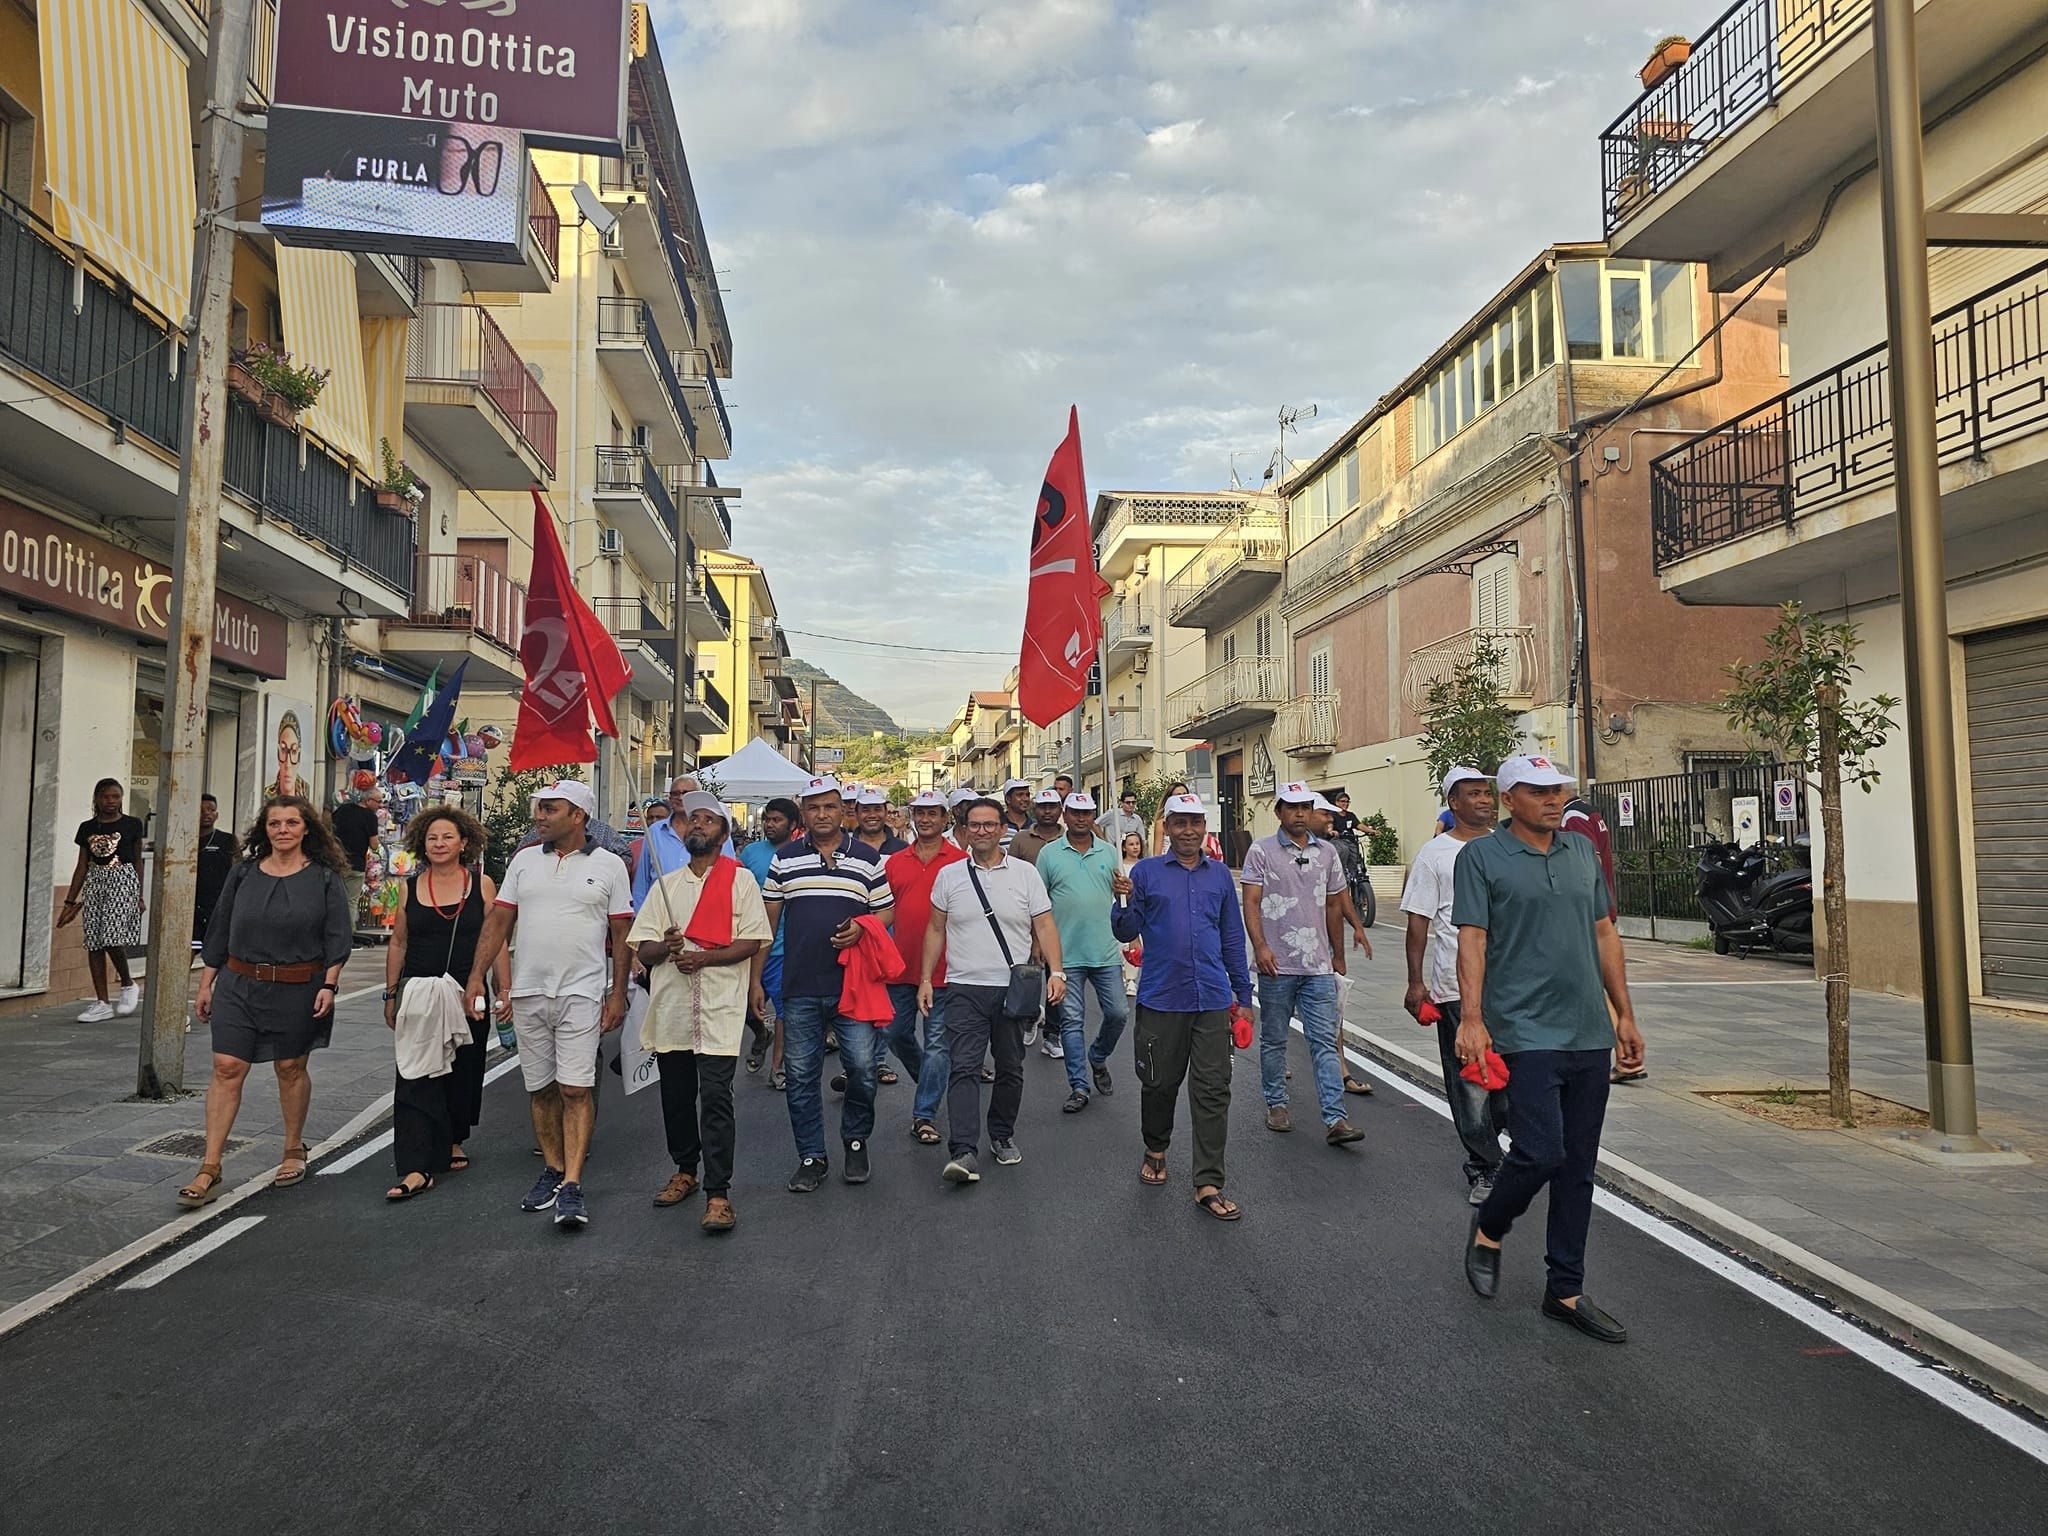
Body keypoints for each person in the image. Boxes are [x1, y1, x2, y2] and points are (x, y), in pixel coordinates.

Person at [1457, 755, 1647, 1344]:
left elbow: (1603, 932)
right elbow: (1473, 939)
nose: (1553, 799)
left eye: (1558, 790)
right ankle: (1491, 1224)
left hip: (1587, 1030)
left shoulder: (1581, 852)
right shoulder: (1481, 857)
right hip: (1522, 1029)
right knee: (1540, 1151)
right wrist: (1472, 1019)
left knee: (1578, 1170)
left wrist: (1625, 1015)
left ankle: (1564, 1290)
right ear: (1509, 798)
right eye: (1538, 791)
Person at [465, 780, 634, 1230]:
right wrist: (475, 979)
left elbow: (621, 935)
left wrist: (617, 995)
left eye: (550, 809)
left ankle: (574, 1183)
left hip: (581, 992)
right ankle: (554, 1170)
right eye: (538, 808)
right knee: (540, 1089)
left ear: (578, 816)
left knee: (575, 1089)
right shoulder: (523, 861)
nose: (539, 816)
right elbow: (499, 921)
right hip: (528, 992)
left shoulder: (610, 865)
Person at [177, 795, 354, 1207]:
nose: (283, 830)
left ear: (306, 828)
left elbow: (336, 938)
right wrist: (205, 984)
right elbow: (219, 930)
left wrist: (329, 985)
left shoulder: (324, 879)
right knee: (226, 1067)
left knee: (290, 1067)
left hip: (299, 985)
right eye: (275, 824)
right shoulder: (242, 875)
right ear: (265, 830)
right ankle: (210, 1165)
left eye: (292, 823)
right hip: (239, 983)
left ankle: (293, 1147)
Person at [630, 791, 771, 1234]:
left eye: (708, 820)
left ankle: (718, 1193)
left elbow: (753, 940)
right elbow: (644, 948)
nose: (697, 825)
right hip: (672, 1006)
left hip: (718, 1008)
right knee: (674, 1097)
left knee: (715, 1099)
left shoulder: (741, 881)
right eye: (693, 819)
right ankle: (684, 1171)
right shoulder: (666, 887)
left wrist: (705, 959)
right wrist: (668, 947)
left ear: (723, 833)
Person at [1112, 792, 1253, 1220]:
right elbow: (1124, 931)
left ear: (1204, 828)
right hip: (1161, 998)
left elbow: (1232, 937)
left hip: (1210, 998)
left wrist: (1243, 997)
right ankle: (1156, 1149)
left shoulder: (1220, 877)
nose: (1188, 831)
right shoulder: (1146, 873)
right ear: (1167, 828)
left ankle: (1208, 1181)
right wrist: (1121, 900)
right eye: (1180, 823)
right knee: (1158, 1083)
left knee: (1213, 1091)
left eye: (1195, 823)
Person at [755, 775, 894, 1192]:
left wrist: (862, 927)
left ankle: (855, 1139)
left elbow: (886, 913)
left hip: (854, 985)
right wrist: (756, 978)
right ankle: (811, 1156)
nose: (822, 814)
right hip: (798, 987)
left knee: (864, 1069)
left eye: (829, 806)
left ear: (842, 810)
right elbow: (769, 920)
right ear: (804, 812)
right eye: (813, 807)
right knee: (800, 1076)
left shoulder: (869, 859)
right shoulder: (785, 859)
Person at [921, 795, 1064, 1185]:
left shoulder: (1024, 874)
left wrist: (1058, 972)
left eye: (989, 825)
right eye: (974, 826)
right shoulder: (950, 875)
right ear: (964, 831)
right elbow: (935, 929)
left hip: (1012, 989)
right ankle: (964, 1150)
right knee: (964, 1068)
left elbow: (1045, 925)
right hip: (964, 987)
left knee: (1010, 1068)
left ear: (1003, 830)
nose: (981, 831)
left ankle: (1001, 1135)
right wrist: (924, 979)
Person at [382, 806, 505, 1200]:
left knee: (464, 1071)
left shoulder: (482, 885)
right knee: (416, 1075)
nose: (439, 843)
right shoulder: (409, 887)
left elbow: (496, 939)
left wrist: (503, 989)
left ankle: (453, 1137)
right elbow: (398, 942)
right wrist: (390, 993)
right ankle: (416, 1163)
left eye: (448, 837)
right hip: (418, 994)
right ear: (423, 843)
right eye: (433, 837)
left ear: (463, 842)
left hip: (469, 993)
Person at [1401, 767, 1506, 1204]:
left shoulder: (1510, 847)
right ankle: (1483, 1167)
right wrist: (1415, 983)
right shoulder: (1435, 854)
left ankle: (1499, 1145)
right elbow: (1418, 924)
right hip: (1456, 988)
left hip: (1515, 989)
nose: (1484, 800)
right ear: (1453, 803)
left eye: (1488, 792)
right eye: (1473, 794)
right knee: (1471, 1083)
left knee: (1513, 1080)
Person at [1241, 783, 1364, 1147]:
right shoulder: (1261, 851)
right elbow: (1251, 903)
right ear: (1279, 811)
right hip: (1277, 963)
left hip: (1318, 966)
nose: (1299, 813)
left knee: (1324, 1040)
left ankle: (1336, 1118)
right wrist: (1260, 947)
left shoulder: (1327, 852)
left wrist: (1338, 954)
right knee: (1274, 1038)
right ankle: (1276, 1103)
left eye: (1305, 807)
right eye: (1292, 807)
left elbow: (1332, 905)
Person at [1035, 791, 1126, 1111]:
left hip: (1104, 950)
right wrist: (1038, 946)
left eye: (1086, 813)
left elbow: (1122, 898)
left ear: (1093, 816)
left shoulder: (1109, 852)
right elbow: (1038, 903)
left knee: (1118, 1013)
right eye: (1074, 812)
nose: (1080, 818)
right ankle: (1079, 1086)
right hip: (1065, 954)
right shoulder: (1049, 854)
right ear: (1065, 814)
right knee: (1071, 1023)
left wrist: (1124, 890)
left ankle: (1097, 1057)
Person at [885, 791, 967, 1145]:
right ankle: (931, 1081)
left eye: (934, 813)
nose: (927, 819)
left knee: (937, 1045)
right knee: (896, 1034)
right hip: (901, 968)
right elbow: (885, 910)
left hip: (945, 970)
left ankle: (924, 1115)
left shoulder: (961, 861)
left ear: (946, 818)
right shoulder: (895, 861)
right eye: (920, 813)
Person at [59, 779, 145, 1020]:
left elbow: (138, 861)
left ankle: (128, 983)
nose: (111, 801)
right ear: (96, 798)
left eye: (116, 796)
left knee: (111, 936)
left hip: (123, 880)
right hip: (95, 881)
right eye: (106, 797)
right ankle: (102, 1002)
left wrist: (138, 895)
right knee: (94, 942)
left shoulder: (132, 824)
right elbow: (82, 865)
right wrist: (69, 901)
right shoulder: (87, 828)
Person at [738, 797, 799, 1082]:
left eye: (778, 820)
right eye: (768, 819)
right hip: (748, 944)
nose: (771, 825)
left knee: (785, 1010)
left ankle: (778, 1068)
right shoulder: (750, 852)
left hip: (785, 947)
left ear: (793, 825)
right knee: (743, 1006)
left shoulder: (803, 854)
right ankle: (761, 1033)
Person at [330, 787, 383, 930]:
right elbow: (374, 845)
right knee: (351, 901)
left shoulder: (344, 809)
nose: (381, 805)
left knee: (333, 899)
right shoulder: (370, 817)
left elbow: (329, 827)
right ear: (368, 800)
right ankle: (347, 936)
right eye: (378, 802)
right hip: (356, 865)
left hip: (335, 862)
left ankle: (332, 932)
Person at [193, 793, 240, 950]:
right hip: (192, 903)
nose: (206, 813)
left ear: (217, 814)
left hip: (218, 903)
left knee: (218, 949)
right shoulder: (183, 839)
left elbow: (238, 869)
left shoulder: (227, 840)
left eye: (210, 809)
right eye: (201, 810)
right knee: (190, 947)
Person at [1117, 832, 1145, 997]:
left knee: (1135, 944)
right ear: (1124, 847)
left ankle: (1131, 980)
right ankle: (1121, 973)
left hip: (1137, 910)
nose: (1135, 847)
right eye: (1131, 844)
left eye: (1137, 844)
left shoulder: (1143, 866)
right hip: (1120, 908)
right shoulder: (1120, 866)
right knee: (1120, 945)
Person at [1007, 787, 1064, 867]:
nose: (1047, 811)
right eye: (1042, 807)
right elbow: (1011, 869)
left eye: (1052, 807)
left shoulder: (1068, 838)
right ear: (1034, 810)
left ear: (1060, 810)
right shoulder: (1020, 839)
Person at [999, 777, 1033, 841]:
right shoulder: (997, 826)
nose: (1026, 799)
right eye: (1020, 795)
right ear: (1008, 799)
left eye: (1027, 795)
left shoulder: (1035, 826)